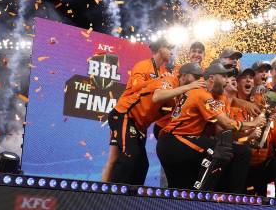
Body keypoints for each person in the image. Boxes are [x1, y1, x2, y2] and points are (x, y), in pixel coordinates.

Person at [157, 62, 265, 190]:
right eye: (224, 76)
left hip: (183, 142)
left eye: (229, 77)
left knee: (181, 190)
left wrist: (246, 135)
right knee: (219, 150)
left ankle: (223, 199)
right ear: (212, 78)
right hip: (174, 142)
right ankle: (209, 196)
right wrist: (253, 123)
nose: (228, 80)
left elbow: (223, 129)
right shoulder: (201, 93)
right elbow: (225, 123)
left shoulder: (219, 98)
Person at [101, 37, 174, 183]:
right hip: (125, 115)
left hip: (139, 124)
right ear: (159, 48)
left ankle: (132, 199)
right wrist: (159, 80)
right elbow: (136, 86)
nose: (171, 52)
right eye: (168, 48)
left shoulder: (164, 72)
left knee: (140, 163)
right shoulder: (143, 65)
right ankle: (112, 197)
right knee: (128, 156)